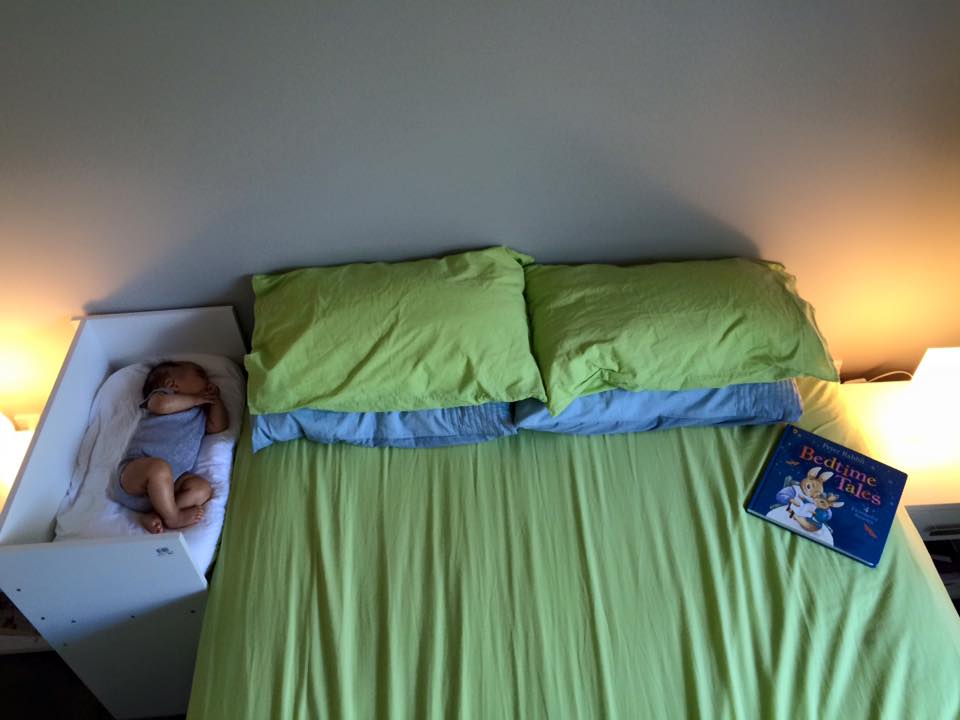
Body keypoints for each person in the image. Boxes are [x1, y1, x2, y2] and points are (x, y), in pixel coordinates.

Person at [108, 360, 228, 533]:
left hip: (172, 483)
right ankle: (173, 517)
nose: (208, 380)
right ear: (172, 384)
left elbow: (219, 427)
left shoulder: (201, 412)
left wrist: (215, 400)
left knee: (202, 489)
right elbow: (160, 405)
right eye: (201, 375)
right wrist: (195, 399)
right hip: (137, 472)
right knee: (158, 469)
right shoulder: (162, 396)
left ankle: (157, 513)